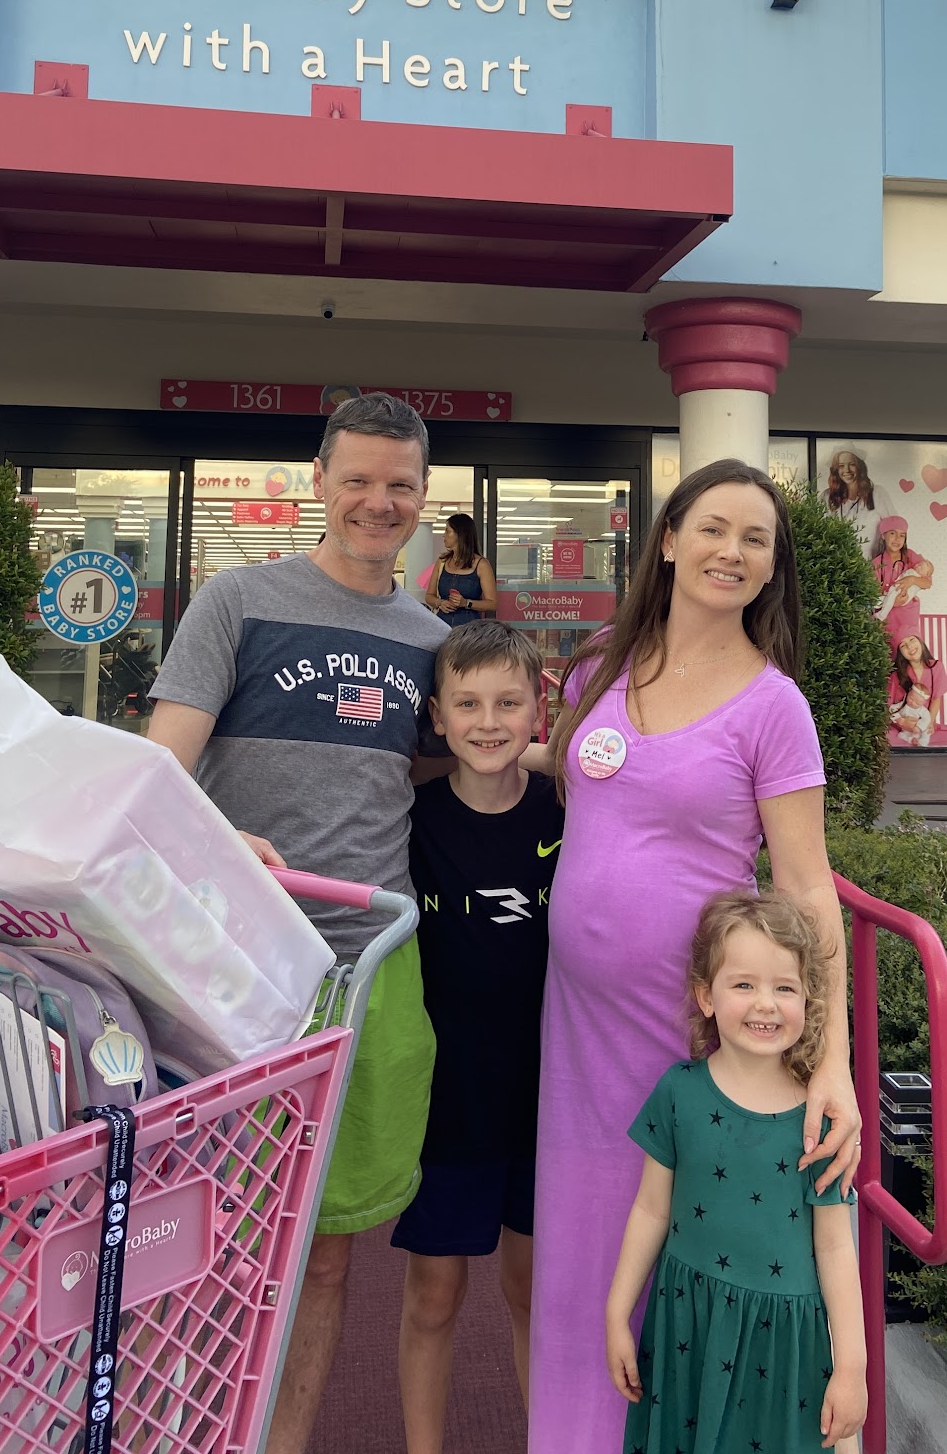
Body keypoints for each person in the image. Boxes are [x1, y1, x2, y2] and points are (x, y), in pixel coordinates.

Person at [526, 457, 862, 1454]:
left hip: (689, 1032)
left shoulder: (773, 704)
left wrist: (831, 1062)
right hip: (578, 1027)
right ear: (668, 539)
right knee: (581, 1251)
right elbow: (577, 783)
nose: (732, 551)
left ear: (771, 569)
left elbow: (807, 887)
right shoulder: (598, 666)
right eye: (714, 527)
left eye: (756, 539)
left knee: (681, 1250)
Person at [146, 393, 449, 1454]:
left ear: (423, 494)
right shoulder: (237, 600)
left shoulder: (433, 641)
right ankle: (184, 1430)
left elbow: (442, 770)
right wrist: (227, 840)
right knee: (199, 1234)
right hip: (233, 965)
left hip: (364, 969)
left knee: (321, 1250)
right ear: (317, 480)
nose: (378, 501)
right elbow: (160, 771)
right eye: (357, 479)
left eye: (399, 484)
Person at [606, 892, 868, 1454]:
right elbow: (651, 1209)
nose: (765, 1004)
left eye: (785, 988)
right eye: (744, 984)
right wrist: (616, 1312)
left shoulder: (819, 1124)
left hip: (784, 1354)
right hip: (688, 1333)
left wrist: (852, 1368)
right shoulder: (677, 1093)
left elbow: (835, 1248)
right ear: (706, 996)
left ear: (809, 1000)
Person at [392, 620, 561, 1453]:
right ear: (437, 714)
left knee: (533, 1293)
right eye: (467, 704)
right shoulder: (409, 817)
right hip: (446, 1100)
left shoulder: (569, 809)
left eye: (507, 703)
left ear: (538, 712)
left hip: (545, 1094)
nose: (488, 722)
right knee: (434, 1295)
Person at [869, 514, 934, 651]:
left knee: (910, 652)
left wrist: (912, 580)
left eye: (902, 535)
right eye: (892, 533)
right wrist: (893, 602)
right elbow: (872, 595)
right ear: (883, 535)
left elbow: (927, 583)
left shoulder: (911, 556)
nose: (897, 539)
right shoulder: (876, 563)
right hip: (886, 616)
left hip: (908, 616)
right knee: (888, 652)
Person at [424, 511, 497, 628]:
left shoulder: (481, 565)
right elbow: (429, 596)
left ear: (459, 534)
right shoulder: (442, 562)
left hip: (469, 630)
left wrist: (466, 603)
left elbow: (492, 604)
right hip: (442, 626)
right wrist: (440, 603)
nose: (444, 535)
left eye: (448, 531)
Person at [888, 632, 946, 747]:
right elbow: (888, 705)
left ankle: (913, 743)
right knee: (887, 737)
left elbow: (936, 699)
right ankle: (913, 743)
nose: (910, 646)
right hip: (900, 728)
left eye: (912, 639)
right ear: (900, 653)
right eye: (903, 645)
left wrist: (929, 723)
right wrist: (902, 723)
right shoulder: (896, 674)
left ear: (920, 641)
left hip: (923, 726)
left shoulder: (936, 667)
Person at [822, 446, 877, 555]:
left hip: (868, 563)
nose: (847, 470)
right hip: (836, 560)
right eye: (841, 466)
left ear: (860, 467)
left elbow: (894, 528)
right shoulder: (827, 496)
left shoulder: (876, 494)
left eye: (852, 464)